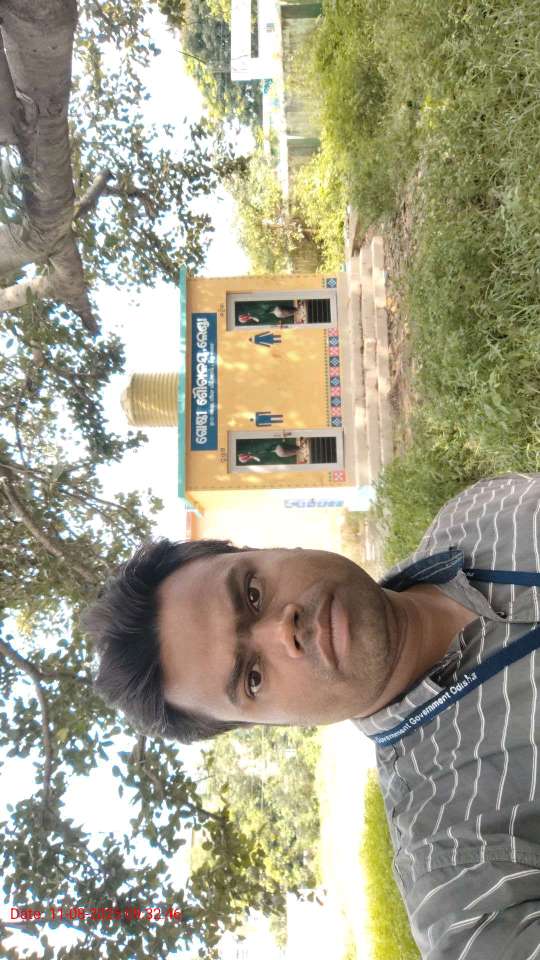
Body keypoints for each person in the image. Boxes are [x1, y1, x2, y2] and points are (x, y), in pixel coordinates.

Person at [84, 473, 540, 959]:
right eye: (252, 677)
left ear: (271, 549)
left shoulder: (479, 510)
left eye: (252, 594)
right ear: (268, 725)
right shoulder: (457, 867)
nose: (283, 630)